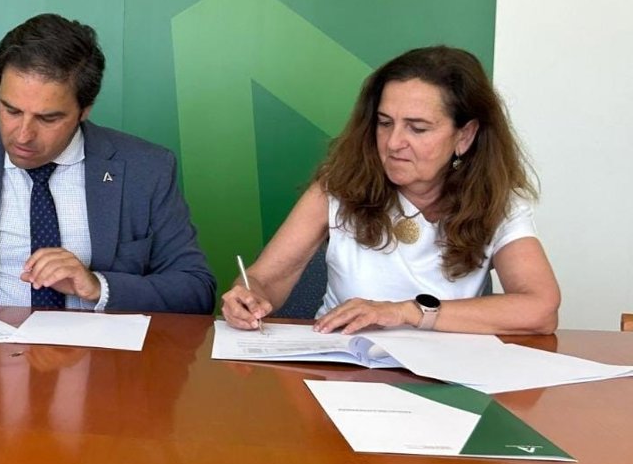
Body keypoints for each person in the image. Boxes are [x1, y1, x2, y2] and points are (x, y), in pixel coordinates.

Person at [0, 14, 216, 314]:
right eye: (11, 110)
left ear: (84, 110)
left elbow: (195, 289)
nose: (23, 134)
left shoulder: (146, 169)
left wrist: (98, 286)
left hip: (103, 365)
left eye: (48, 118)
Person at [222, 46, 559, 335]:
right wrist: (247, 296)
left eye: (417, 128)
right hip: (343, 365)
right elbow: (266, 279)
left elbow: (540, 310)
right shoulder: (337, 187)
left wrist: (406, 312)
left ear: (465, 136)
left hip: (446, 373)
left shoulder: (498, 202)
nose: (394, 143)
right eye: (385, 123)